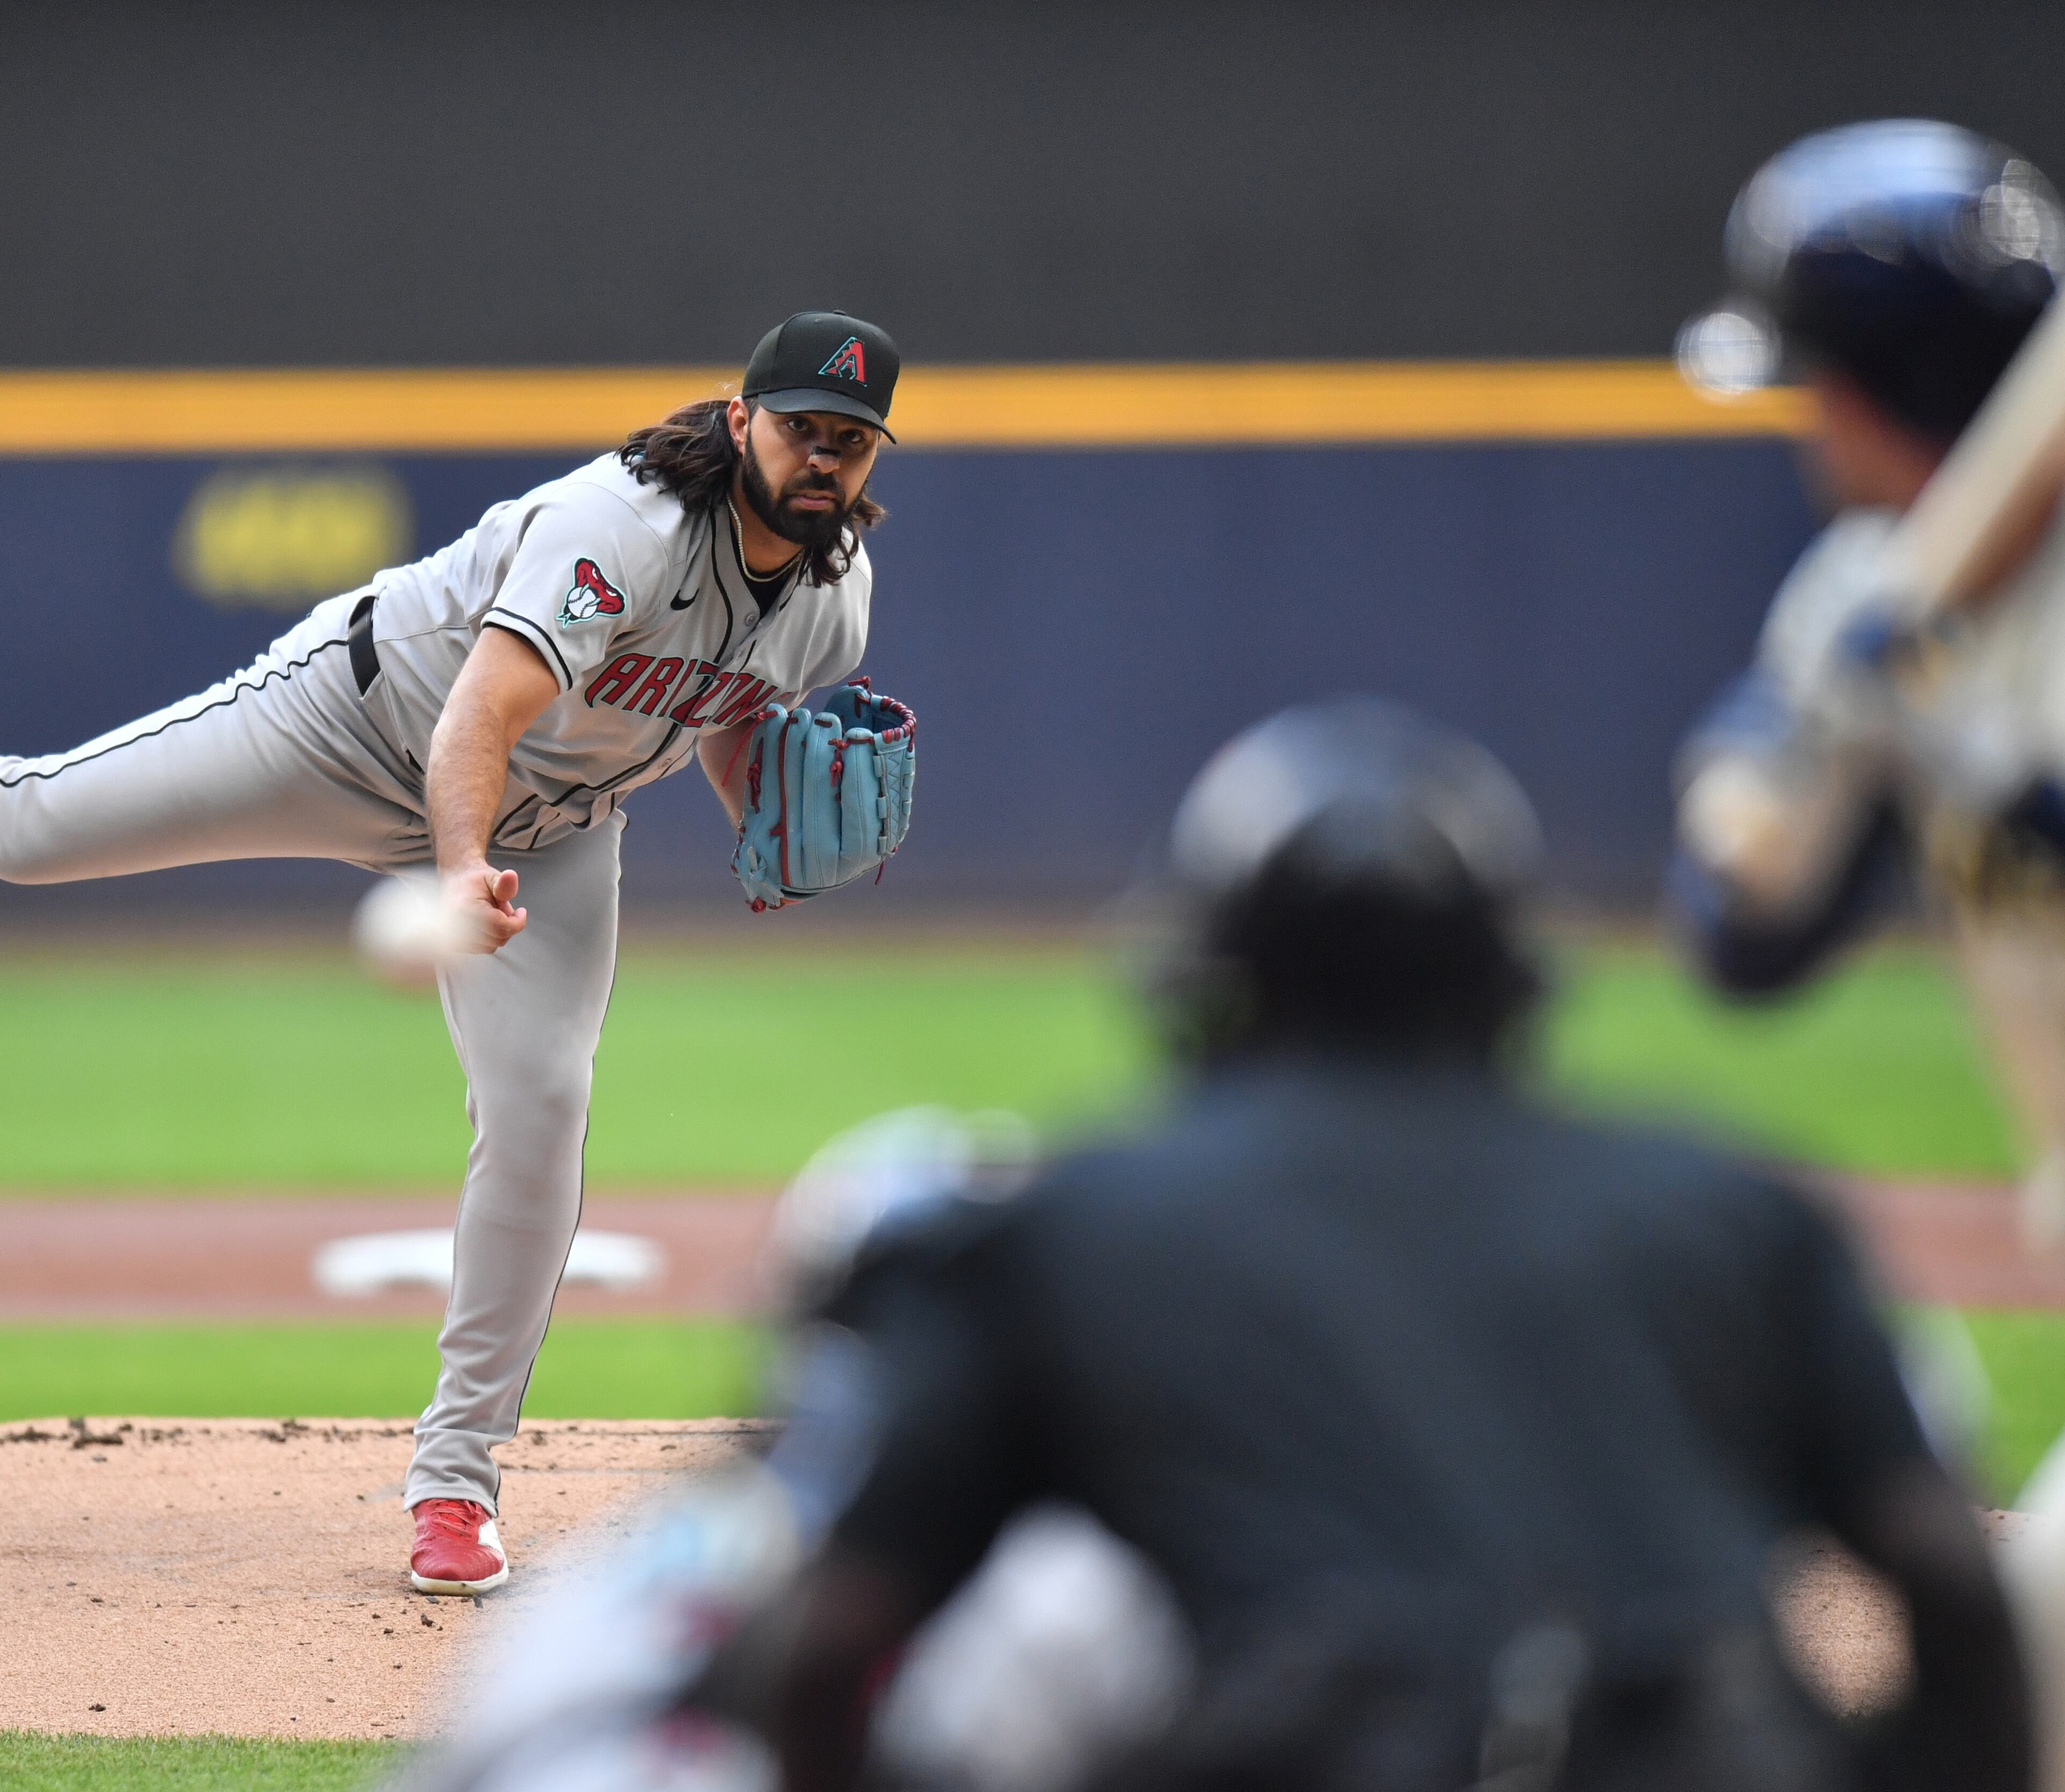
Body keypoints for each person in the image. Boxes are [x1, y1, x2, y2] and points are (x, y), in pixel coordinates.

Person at [0, 310, 917, 1596]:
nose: (823, 457)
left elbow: (732, 702)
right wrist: (462, 864)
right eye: (803, 426)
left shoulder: (834, 598)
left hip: (559, 821)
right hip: (353, 725)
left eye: (851, 440)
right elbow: (476, 715)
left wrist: (756, 831)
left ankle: (456, 1484)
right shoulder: (625, 527)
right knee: (24, 825)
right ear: (743, 421)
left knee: (542, 1109)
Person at [709, 699, 2030, 1791]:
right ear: (1508, 982)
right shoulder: (1737, 1208)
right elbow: (1957, 1591)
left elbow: (827, 1650)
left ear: (1209, 981)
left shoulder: (1067, 1228)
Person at [1669, 119, 2065, 1245]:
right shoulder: (1855, 594)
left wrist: (1969, 756)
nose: (1811, 424)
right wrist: (1758, 786)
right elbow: (1745, 952)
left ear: (1884, 391)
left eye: (1822, 384)